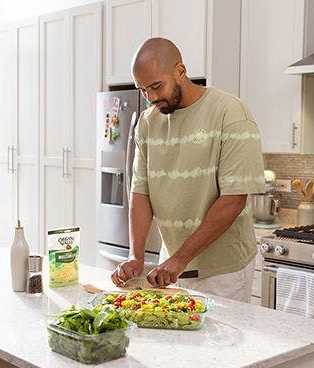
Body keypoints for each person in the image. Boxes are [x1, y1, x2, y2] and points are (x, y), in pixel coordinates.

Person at [110, 37, 265, 302]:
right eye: (143, 90)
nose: (151, 98)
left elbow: (234, 199)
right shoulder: (148, 122)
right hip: (169, 266)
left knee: (221, 343)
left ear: (180, 71)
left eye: (156, 86)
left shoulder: (230, 112)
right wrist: (136, 255)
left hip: (222, 273)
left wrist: (180, 259)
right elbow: (141, 192)